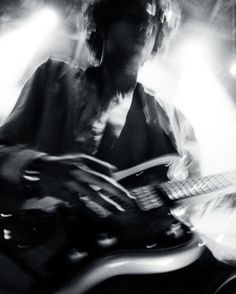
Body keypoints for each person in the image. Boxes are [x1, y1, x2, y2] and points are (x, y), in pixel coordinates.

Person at [0, 0, 204, 293]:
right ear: (103, 24)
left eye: (155, 21)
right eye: (132, 14)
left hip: (124, 278)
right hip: (31, 255)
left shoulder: (175, 122)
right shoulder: (53, 79)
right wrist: (37, 169)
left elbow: (193, 212)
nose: (145, 25)